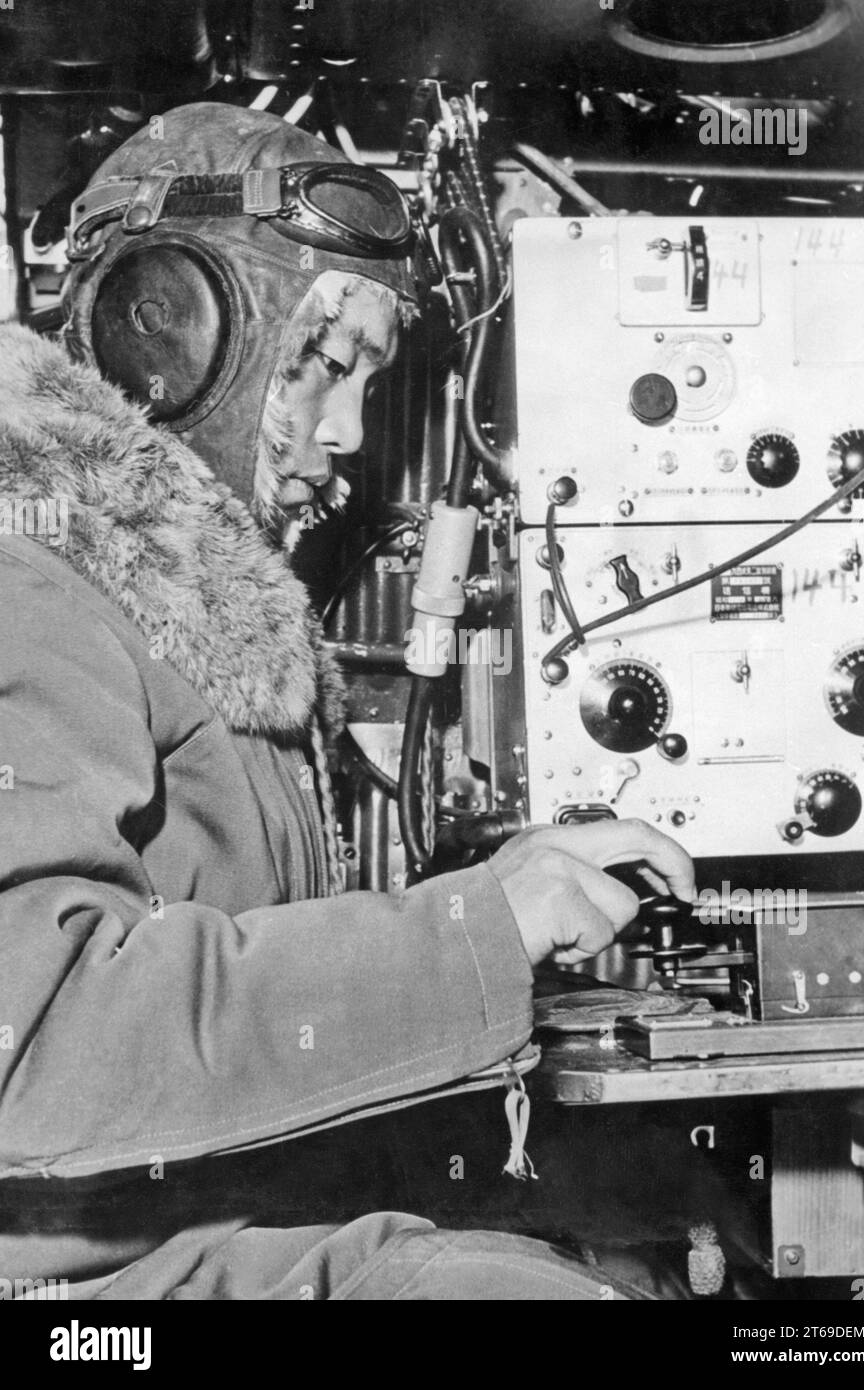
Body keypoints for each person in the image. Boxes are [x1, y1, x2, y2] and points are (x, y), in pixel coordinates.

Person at [0, 103, 695, 1300]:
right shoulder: (32, 577)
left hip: (217, 1238)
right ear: (159, 335)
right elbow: (35, 1054)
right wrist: (472, 930)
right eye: (322, 368)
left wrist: (498, 895)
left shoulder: (185, 617)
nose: (346, 435)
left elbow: (229, 956)